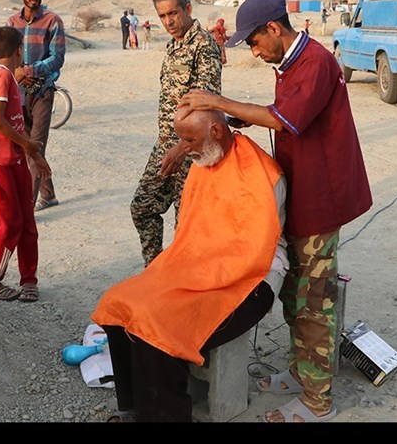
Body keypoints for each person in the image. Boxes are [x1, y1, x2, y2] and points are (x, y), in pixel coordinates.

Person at [180, 0, 373, 423]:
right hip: (301, 191)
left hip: (322, 198)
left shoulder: (316, 62)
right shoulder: (289, 62)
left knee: (313, 301)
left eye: (253, 42)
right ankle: (300, 371)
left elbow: (285, 119)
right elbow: (280, 112)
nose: (253, 51)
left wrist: (220, 102)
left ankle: (317, 401)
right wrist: (238, 118)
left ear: (273, 28)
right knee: (293, 292)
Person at [92, 107, 288, 422]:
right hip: (199, 262)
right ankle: (135, 407)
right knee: (118, 301)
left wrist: (202, 271)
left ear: (216, 131)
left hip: (248, 277)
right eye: (181, 140)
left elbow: (252, 247)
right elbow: (193, 232)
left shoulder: (261, 174)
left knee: (159, 321)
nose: (184, 148)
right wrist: (189, 266)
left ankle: (165, 416)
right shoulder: (203, 161)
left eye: (189, 140)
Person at [130, 0, 221, 267]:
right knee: (142, 207)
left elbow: (205, 107)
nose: (168, 21)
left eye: (173, 13)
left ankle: (183, 282)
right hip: (166, 147)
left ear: (188, 9)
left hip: (192, 153)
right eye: (162, 16)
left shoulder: (203, 46)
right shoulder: (173, 45)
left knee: (188, 225)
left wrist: (181, 149)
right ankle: (155, 270)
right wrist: (169, 147)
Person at [0, 26, 52, 302]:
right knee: (10, 224)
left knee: (27, 221)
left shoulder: (7, 76)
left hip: (15, 159)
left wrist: (34, 155)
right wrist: (29, 145)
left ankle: (29, 280)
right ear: (20, 50)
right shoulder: (1, 77)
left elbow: (14, 121)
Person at [6, 0, 65, 212]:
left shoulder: (53, 21)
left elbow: (57, 58)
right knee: (26, 147)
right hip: (18, 93)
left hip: (42, 92)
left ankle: (26, 208)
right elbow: (7, 55)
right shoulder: (11, 22)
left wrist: (30, 70)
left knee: (36, 147)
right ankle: (48, 195)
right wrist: (16, 73)